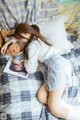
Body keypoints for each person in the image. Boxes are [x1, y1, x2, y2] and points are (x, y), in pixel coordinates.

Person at [1, 23, 80, 120]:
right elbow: (16, 37)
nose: (20, 41)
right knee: (41, 96)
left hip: (58, 67)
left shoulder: (32, 46)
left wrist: (25, 61)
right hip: (56, 66)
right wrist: (7, 43)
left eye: (21, 38)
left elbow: (31, 69)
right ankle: (73, 109)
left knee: (54, 109)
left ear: (27, 33)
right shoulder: (36, 37)